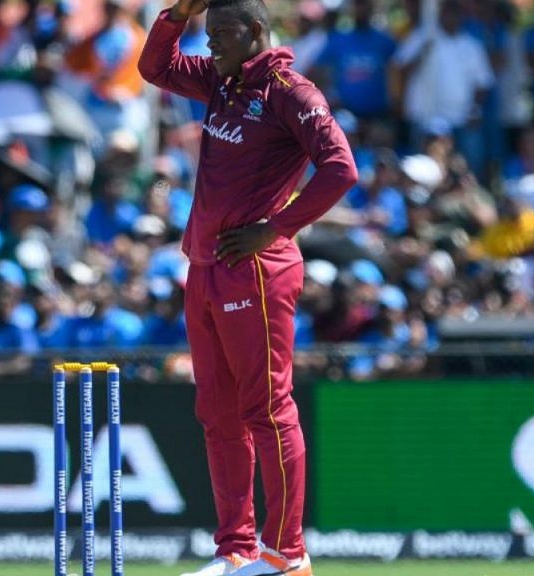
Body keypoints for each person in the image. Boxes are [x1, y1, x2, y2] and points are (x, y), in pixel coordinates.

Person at [138, 0, 358, 574]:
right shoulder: (221, 79)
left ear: (257, 31)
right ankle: (235, 551)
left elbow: (341, 167)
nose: (210, 45)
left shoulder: (291, 91)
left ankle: (286, 554)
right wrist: (175, 17)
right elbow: (155, 70)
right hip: (206, 265)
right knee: (218, 412)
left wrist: (275, 226)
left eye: (222, 34)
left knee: (267, 408)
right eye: (207, 34)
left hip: (256, 267)